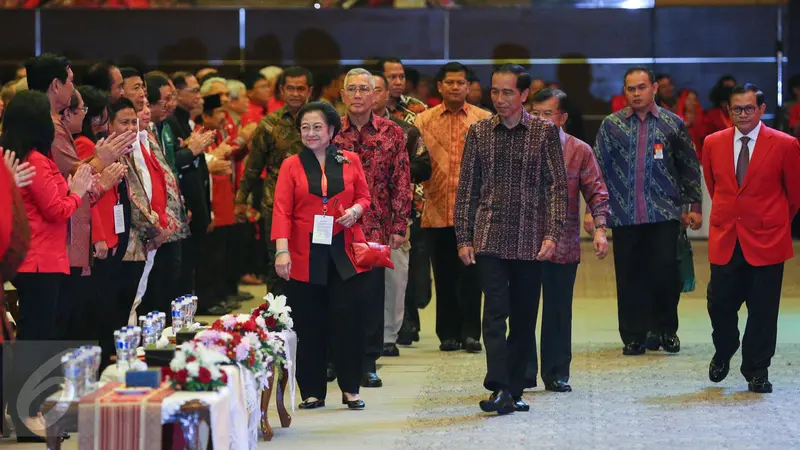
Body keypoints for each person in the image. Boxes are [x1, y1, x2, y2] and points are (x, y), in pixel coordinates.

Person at [454, 64, 568, 415]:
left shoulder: (544, 132)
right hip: (489, 235)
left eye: (507, 92)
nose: (499, 99)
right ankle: (500, 385)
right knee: (494, 314)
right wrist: (463, 236)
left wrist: (553, 233)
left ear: (523, 95)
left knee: (523, 316)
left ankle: (516, 388)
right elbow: (467, 189)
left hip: (529, 239)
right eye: (494, 92)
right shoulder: (479, 132)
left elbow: (556, 187)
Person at [2, 90, 93, 442]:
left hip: (37, 258)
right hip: (39, 260)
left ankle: (30, 412)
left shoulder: (24, 156)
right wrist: (77, 191)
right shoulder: (35, 161)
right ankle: (27, 417)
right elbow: (56, 209)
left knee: (34, 337)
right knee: (36, 340)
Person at [594, 67, 703, 356]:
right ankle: (633, 336)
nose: (636, 93)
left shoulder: (673, 123)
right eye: (631, 88)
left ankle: (666, 330)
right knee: (630, 276)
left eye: (642, 87)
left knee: (666, 272)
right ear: (625, 91)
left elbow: (688, 167)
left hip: (664, 213)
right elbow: (597, 171)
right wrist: (595, 212)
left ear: (654, 88)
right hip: (625, 214)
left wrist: (694, 206)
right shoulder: (611, 125)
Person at [272, 101, 371, 410]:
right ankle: (313, 390)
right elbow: (281, 210)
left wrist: (355, 211)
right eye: (305, 127)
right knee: (308, 321)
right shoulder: (291, 165)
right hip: (304, 252)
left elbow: (365, 197)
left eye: (317, 127)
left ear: (331, 131)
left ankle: (351, 388)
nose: (310, 133)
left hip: (343, 250)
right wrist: (282, 251)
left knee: (348, 319)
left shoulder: (349, 159)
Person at [701, 83, 800, 394]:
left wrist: (773, 222)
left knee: (763, 309)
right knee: (720, 304)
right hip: (726, 235)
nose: (742, 114)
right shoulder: (712, 142)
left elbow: (794, 195)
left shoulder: (785, 144)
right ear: (728, 110)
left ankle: (757, 369)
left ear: (761, 109)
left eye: (748, 108)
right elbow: (714, 185)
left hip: (768, 239)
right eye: (736, 109)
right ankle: (725, 347)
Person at [527, 88, 609, 393]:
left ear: (562, 118)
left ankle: (556, 372)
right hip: (523, 244)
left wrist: (600, 228)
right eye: (534, 113)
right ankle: (523, 372)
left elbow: (597, 192)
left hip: (563, 245)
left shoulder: (579, 150)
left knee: (558, 311)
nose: (539, 120)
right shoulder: (518, 146)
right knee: (522, 309)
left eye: (547, 114)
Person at [334, 68, 411, 389]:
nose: (357, 95)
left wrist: (400, 221)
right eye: (351, 89)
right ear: (342, 95)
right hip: (336, 227)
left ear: (376, 94)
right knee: (337, 295)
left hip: (376, 227)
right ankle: (335, 360)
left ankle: (368, 362)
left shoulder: (392, 132)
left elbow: (401, 180)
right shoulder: (330, 131)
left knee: (371, 295)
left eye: (364, 89)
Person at [414, 62, 492, 353]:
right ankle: (447, 333)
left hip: (474, 213)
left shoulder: (483, 120)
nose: (456, 87)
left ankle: (471, 333)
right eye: (450, 82)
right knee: (444, 275)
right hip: (436, 209)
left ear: (469, 86)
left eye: (461, 82)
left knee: (472, 277)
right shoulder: (423, 121)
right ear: (440, 87)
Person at [236, 66, 313, 296]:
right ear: (281, 90)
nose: (296, 93)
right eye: (290, 88)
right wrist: (240, 199)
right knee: (277, 263)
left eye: (301, 88)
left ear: (310, 91)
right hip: (276, 204)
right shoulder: (269, 124)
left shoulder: (322, 121)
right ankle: (277, 319)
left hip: (313, 204)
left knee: (311, 262)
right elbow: (253, 166)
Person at [371, 71, 431, 356]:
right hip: (353, 217)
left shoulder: (404, 131)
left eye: (375, 90)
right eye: (360, 90)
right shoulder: (338, 130)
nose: (367, 95)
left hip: (395, 214)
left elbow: (425, 167)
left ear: (386, 96)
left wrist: (396, 173)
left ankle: (388, 335)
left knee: (395, 279)